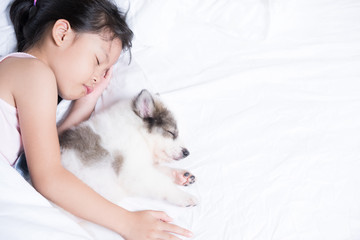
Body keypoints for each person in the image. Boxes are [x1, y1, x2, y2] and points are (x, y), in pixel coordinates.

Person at [0, 0, 193, 239]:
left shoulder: (25, 74)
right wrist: (127, 222)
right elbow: (49, 176)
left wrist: (86, 104)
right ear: (62, 34)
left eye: (104, 73)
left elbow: (46, 152)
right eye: (97, 61)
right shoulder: (35, 75)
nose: (96, 78)